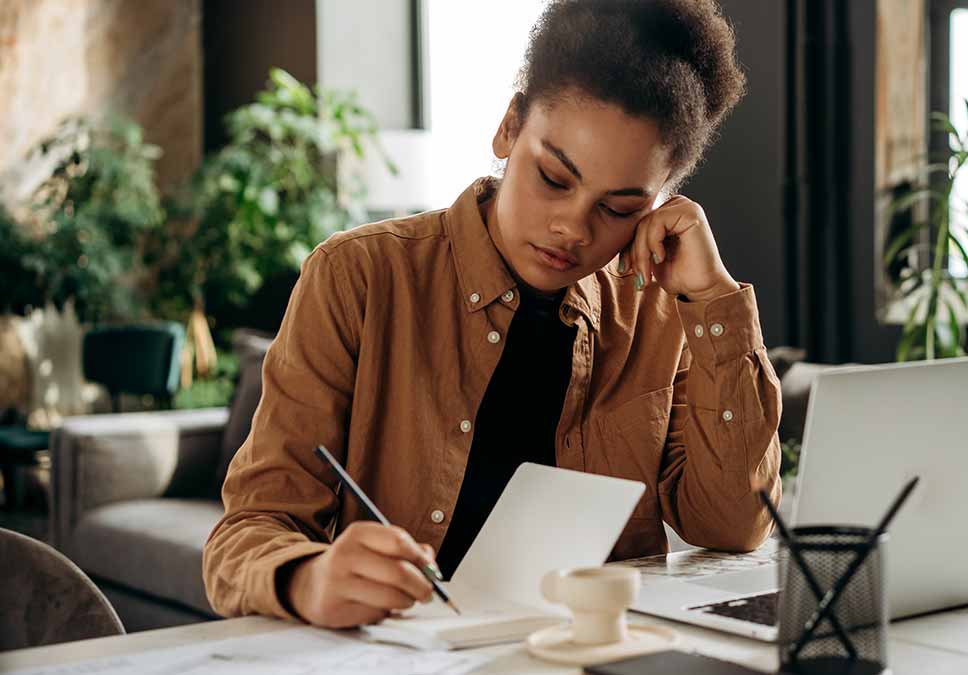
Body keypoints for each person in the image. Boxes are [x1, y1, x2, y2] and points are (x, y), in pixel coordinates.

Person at [202, 0, 782, 629]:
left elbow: (732, 524)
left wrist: (713, 298)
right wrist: (308, 578)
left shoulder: (659, 308)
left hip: (585, 656)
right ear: (509, 126)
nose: (572, 227)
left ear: (661, 200)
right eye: (554, 178)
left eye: (618, 209)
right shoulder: (358, 277)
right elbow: (251, 528)